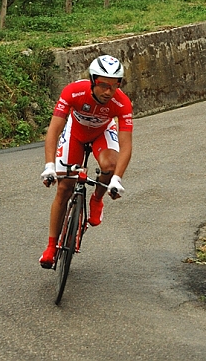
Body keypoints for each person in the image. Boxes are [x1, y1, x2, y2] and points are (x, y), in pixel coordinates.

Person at [39, 55, 134, 268]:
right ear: (92, 80)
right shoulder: (73, 92)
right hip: (76, 132)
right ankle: (51, 246)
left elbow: (126, 145)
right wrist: (49, 166)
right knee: (65, 188)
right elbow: (53, 131)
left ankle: (97, 199)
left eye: (114, 86)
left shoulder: (122, 102)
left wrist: (117, 179)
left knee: (109, 166)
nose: (108, 92)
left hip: (102, 132)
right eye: (102, 85)